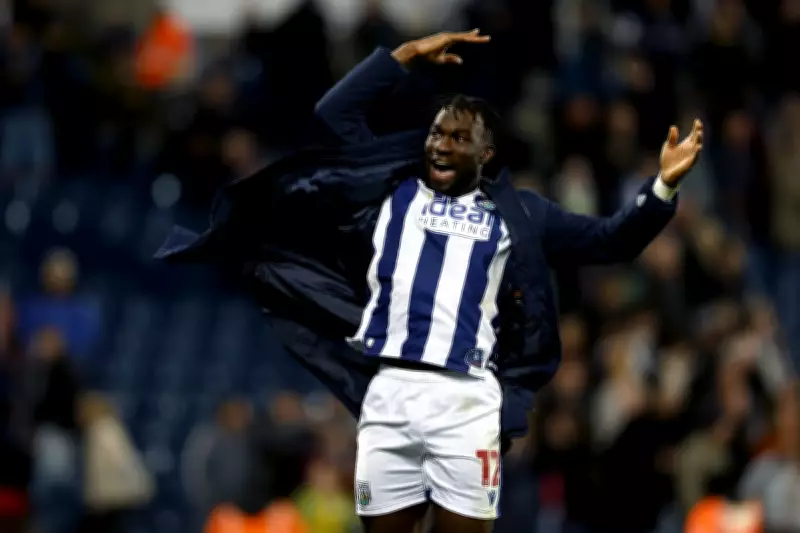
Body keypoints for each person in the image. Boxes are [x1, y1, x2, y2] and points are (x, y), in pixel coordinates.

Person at [156, 30, 703, 533]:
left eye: (458, 137)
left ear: (486, 153)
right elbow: (334, 115)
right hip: (391, 392)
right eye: (437, 133)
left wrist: (661, 187)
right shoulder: (394, 190)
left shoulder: (522, 214)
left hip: (466, 398)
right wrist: (400, 58)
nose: (441, 144)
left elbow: (611, 240)